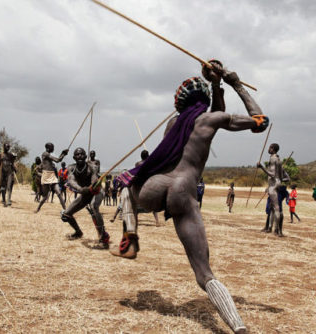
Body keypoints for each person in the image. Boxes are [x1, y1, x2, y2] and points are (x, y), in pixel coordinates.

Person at [111, 61, 268, 333]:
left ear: (181, 103)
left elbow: (213, 113)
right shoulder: (211, 119)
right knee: (204, 274)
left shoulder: (174, 124)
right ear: (204, 100)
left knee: (127, 184)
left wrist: (217, 83)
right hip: (184, 190)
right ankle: (239, 327)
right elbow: (260, 121)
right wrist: (236, 84)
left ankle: (131, 238)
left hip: (155, 187)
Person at [61, 147, 110, 248]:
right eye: (77, 155)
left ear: (85, 156)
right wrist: (81, 189)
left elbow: (94, 179)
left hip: (96, 191)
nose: (80, 156)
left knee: (94, 207)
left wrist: (92, 186)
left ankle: (103, 238)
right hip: (85, 193)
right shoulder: (71, 168)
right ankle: (78, 232)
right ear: (74, 157)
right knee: (66, 215)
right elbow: (71, 181)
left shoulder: (92, 166)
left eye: (82, 154)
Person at [257, 143, 285, 236]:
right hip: (276, 183)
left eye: (270, 147)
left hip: (274, 184)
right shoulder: (279, 159)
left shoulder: (273, 159)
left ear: (273, 149)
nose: (268, 149)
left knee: (277, 208)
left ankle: (277, 230)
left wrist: (262, 167)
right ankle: (273, 229)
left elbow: (272, 174)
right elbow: (280, 176)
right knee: (274, 208)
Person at [35, 143, 68, 213]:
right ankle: (38, 208)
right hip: (46, 176)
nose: (53, 148)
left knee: (59, 193)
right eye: (52, 147)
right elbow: (57, 160)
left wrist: (63, 154)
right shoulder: (45, 154)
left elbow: (58, 160)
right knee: (45, 197)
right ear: (48, 148)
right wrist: (63, 153)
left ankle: (66, 210)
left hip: (52, 176)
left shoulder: (48, 155)